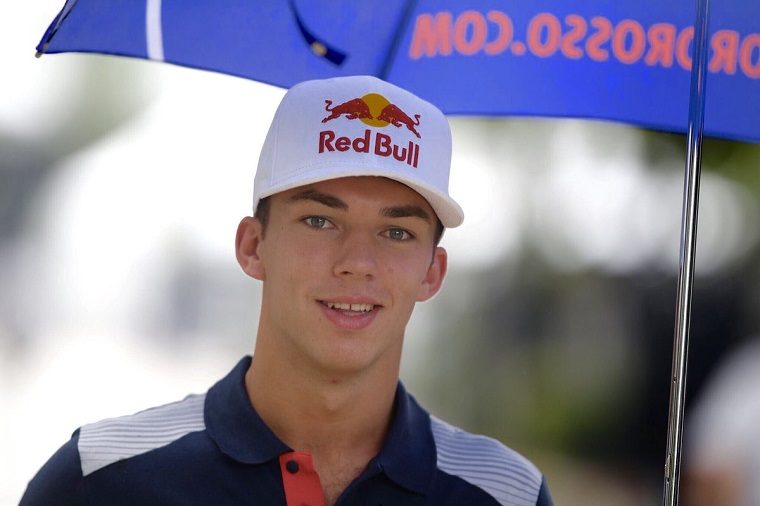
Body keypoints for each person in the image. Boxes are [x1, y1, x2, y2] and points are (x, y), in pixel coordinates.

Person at [21, 75, 553, 505]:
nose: (357, 264)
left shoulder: (505, 494)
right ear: (253, 246)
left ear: (432, 274)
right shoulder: (100, 480)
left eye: (397, 232)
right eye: (321, 221)